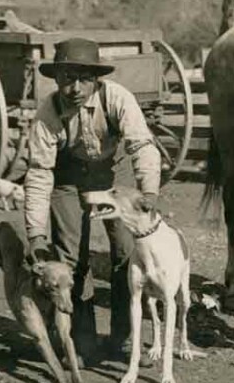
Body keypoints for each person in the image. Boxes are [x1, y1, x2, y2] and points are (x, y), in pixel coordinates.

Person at [23, 38, 161, 365]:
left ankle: (125, 337)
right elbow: (40, 172)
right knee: (72, 256)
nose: (75, 87)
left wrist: (148, 192)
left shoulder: (117, 98)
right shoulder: (48, 112)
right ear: (56, 79)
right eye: (67, 78)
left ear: (96, 79)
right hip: (68, 176)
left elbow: (142, 145)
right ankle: (81, 338)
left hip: (115, 173)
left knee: (127, 253)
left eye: (83, 79)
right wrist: (35, 232)